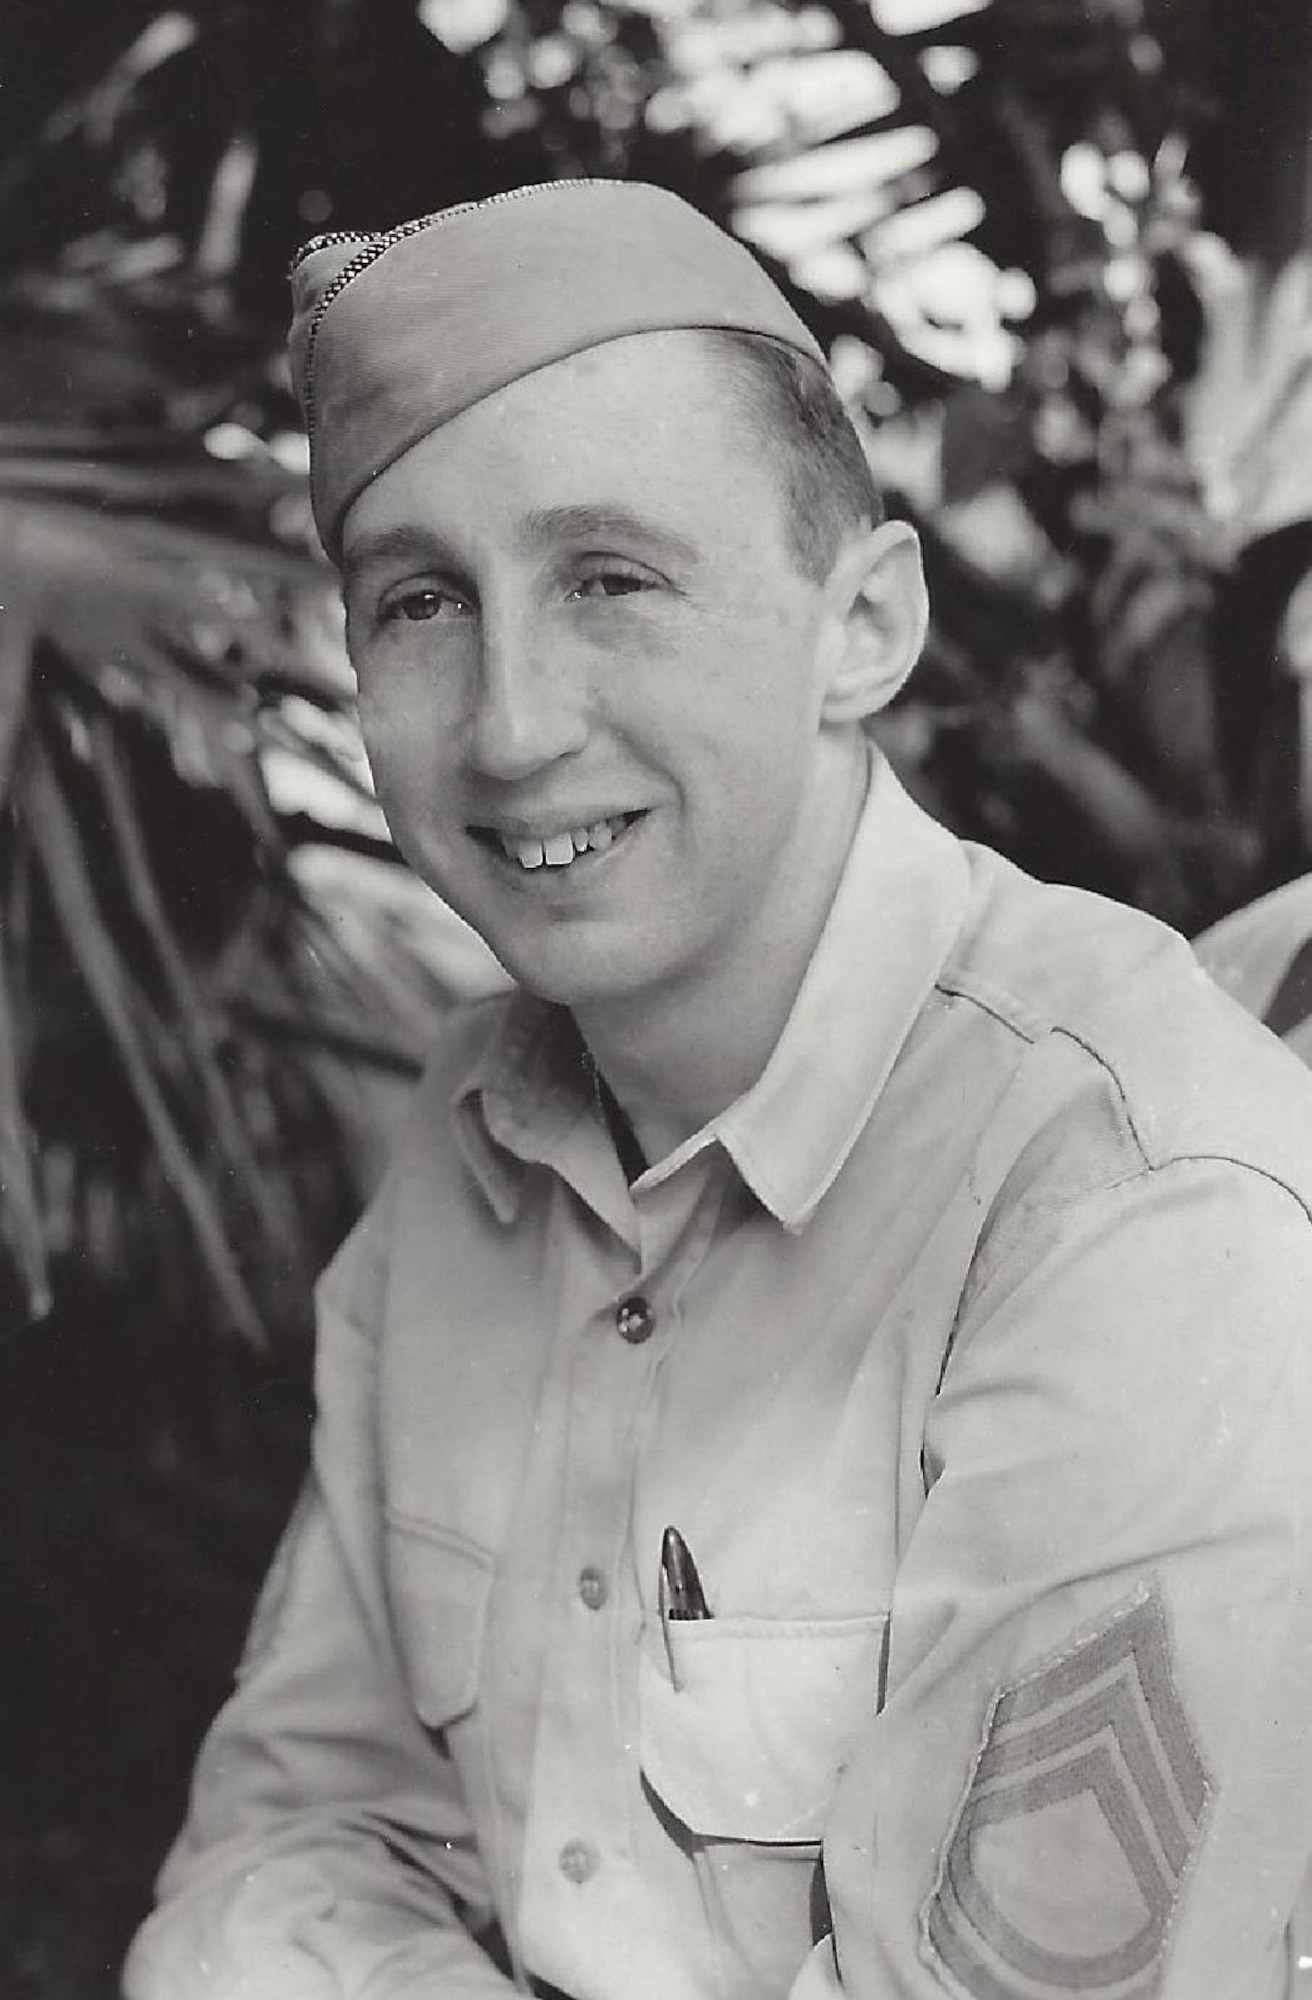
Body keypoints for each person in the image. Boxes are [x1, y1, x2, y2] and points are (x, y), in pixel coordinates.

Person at [123, 180, 1312, 2000]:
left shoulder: (1135, 1198)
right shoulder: (468, 1149)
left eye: (612, 576)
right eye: (424, 602)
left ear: (867, 622)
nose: (514, 725)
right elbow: (281, 1856)